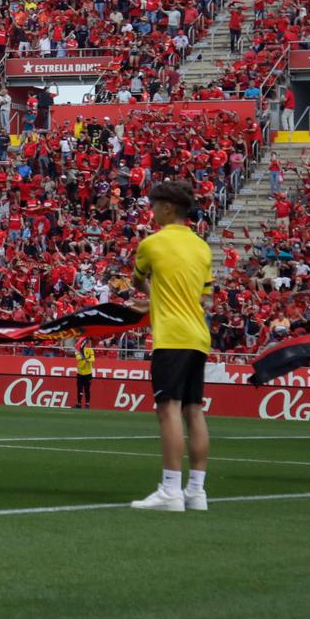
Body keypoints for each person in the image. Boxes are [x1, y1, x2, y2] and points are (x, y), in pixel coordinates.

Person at [129, 179, 213, 513]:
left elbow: (137, 280)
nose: (151, 212)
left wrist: (151, 297)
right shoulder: (202, 247)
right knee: (194, 410)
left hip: (172, 337)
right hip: (198, 336)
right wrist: (160, 301)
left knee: (168, 409)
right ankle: (196, 491)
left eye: (153, 206)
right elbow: (203, 298)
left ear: (166, 208)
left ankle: (170, 490)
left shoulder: (153, 244)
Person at [74, 337, 95, 409]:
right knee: (79, 389)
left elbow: (93, 359)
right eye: (88, 342)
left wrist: (87, 360)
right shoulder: (78, 350)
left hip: (88, 373)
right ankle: (79, 403)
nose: (89, 344)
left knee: (87, 389)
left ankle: (87, 404)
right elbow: (78, 358)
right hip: (80, 373)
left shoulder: (90, 350)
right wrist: (85, 358)